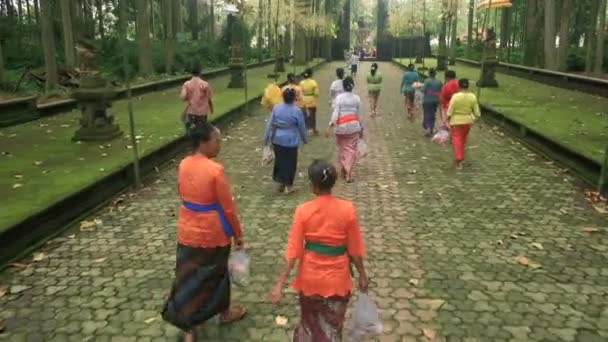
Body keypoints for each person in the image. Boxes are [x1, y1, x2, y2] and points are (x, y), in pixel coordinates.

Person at [162, 122, 246, 342]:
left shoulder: (183, 164)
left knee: (187, 277)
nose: (219, 144)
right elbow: (228, 208)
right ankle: (224, 313)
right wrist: (238, 234)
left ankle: (189, 327)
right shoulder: (214, 170)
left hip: (187, 230)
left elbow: (182, 193)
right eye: (216, 140)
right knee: (216, 277)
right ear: (204, 142)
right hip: (212, 232)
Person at [270, 159, 369, 342]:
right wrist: (362, 275)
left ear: (312, 185)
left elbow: (294, 251)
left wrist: (280, 283)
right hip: (338, 280)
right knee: (333, 325)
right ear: (333, 183)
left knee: (309, 323)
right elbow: (355, 249)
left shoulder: (303, 211)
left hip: (310, 279)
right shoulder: (347, 210)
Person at [264, 88, 308, 194]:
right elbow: (302, 126)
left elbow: (270, 124)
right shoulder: (296, 111)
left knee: (280, 161)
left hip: (278, 139)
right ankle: (288, 185)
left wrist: (266, 138)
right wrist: (304, 138)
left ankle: (281, 182)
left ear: (283, 97)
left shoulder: (277, 108)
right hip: (291, 140)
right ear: (294, 98)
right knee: (290, 162)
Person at [325, 77, 363, 183]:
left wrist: (330, 125)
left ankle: (343, 170)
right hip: (353, 127)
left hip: (341, 127)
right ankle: (348, 173)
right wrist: (361, 128)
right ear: (352, 86)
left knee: (341, 149)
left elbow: (335, 113)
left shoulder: (339, 98)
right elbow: (359, 114)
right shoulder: (357, 98)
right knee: (350, 150)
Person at [446, 78, 481, 170]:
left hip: (456, 121)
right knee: (463, 139)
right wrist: (472, 118)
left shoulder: (455, 97)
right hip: (467, 121)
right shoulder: (472, 97)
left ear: (459, 86)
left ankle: (459, 159)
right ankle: (460, 156)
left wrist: (447, 119)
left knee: (457, 140)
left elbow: (450, 111)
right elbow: (477, 113)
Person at [180, 64, 214, 130]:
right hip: (202, 111)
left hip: (191, 111)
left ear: (191, 73)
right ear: (200, 72)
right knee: (201, 129)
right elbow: (209, 98)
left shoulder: (186, 84)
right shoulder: (205, 84)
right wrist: (211, 108)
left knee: (192, 129)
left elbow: (183, 97)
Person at [421, 68, 443, 136]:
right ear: (435, 73)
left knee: (427, 114)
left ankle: (427, 127)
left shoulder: (427, 81)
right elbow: (441, 90)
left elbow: (423, 90)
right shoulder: (439, 81)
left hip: (427, 100)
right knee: (432, 114)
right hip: (435, 100)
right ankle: (431, 127)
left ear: (429, 73)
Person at [299, 68, 320, 135]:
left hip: (303, 100)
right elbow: (316, 93)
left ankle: (305, 129)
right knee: (312, 116)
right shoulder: (313, 82)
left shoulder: (301, 83)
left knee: (304, 116)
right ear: (311, 74)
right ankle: (313, 129)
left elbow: (299, 92)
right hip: (311, 100)